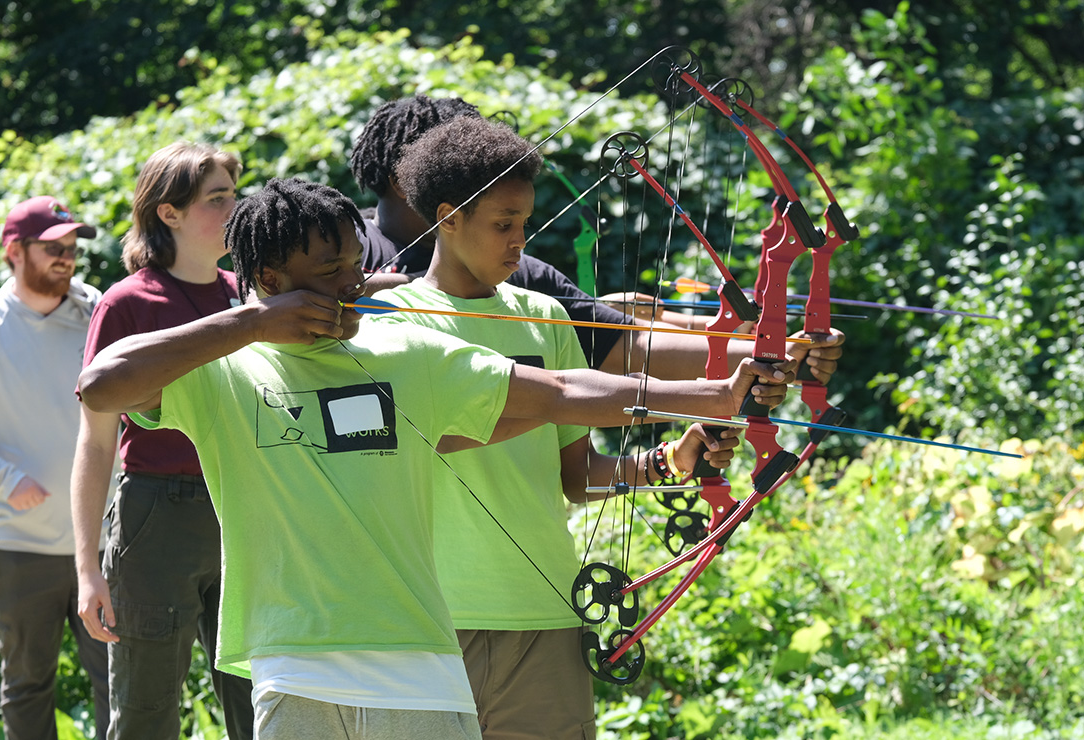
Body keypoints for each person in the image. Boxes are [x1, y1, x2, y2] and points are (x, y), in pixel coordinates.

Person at [76, 177, 791, 740]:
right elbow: (100, 383)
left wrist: (713, 396)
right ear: (267, 275)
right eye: (327, 274)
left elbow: (563, 389)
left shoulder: (405, 353)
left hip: (415, 669)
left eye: (355, 268)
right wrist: (254, 322)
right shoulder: (222, 370)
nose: (352, 286)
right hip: (291, 667)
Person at [349, 93, 844, 383]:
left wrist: (777, 351)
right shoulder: (345, 244)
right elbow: (279, 301)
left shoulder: (515, 273)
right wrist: (398, 293)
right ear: (408, 175)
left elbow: (628, 345)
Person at [70, 142, 254, 740]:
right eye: (217, 198)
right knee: (146, 711)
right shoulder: (126, 304)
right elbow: (95, 443)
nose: (235, 208)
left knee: (262, 702)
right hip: (156, 518)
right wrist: (87, 569)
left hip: (247, 509)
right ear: (168, 212)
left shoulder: (249, 297)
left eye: (234, 194)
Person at [0, 196, 111, 739]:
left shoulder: (96, 308)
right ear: (14, 251)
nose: (67, 258)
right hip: (19, 546)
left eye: (73, 249)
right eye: (53, 248)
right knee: (28, 684)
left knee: (115, 679)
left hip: (104, 542)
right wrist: (6, 480)